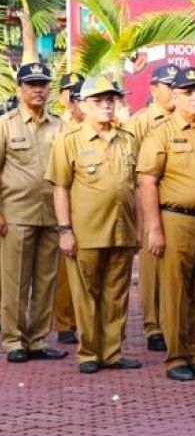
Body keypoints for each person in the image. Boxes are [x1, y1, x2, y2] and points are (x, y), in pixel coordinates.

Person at [137, 66, 195, 381]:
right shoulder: (161, 132)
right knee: (176, 291)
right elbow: (147, 182)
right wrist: (154, 228)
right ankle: (177, 357)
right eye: (188, 92)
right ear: (174, 97)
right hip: (177, 219)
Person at [46, 74, 141, 374]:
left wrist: (139, 228)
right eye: (98, 101)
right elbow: (60, 187)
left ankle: (112, 351)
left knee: (117, 294)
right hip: (86, 232)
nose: (106, 106)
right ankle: (88, 353)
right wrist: (64, 230)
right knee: (86, 296)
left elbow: (135, 186)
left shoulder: (127, 140)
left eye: (111, 100)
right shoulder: (69, 141)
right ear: (84, 105)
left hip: (122, 229)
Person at [0, 62, 67, 363]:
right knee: (15, 282)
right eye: (31, 84)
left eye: (42, 84)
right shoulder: (6, 125)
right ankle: (14, 340)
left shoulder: (60, 125)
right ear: (19, 89)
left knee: (46, 279)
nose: (38, 89)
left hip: (51, 214)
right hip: (17, 214)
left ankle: (38, 339)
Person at [126, 63, 180, 352]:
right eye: (168, 85)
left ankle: (175, 324)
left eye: (176, 85)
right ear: (154, 89)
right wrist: (141, 219)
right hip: (150, 203)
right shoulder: (141, 122)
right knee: (153, 269)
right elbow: (134, 173)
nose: (173, 91)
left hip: (181, 207)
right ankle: (153, 326)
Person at [53, 71, 84, 345]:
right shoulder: (56, 125)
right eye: (70, 92)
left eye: (79, 92)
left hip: (86, 207)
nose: (75, 97)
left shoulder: (95, 125)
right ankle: (65, 322)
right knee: (62, 270)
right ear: (62, 96)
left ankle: (85, 321)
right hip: (54, 205)